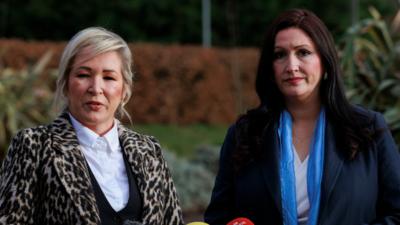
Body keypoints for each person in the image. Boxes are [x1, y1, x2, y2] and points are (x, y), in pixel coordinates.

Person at [204, 8, 400, 225]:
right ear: (270, 68)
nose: (291, 66)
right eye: (280, 55)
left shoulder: (368, 129)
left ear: (324, 61)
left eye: (303, 52)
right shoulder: (243, 134)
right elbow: (218, 218)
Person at [0, 27, 183, 225]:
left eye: (109, 77)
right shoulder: (33, 146)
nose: (96, 88)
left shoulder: (149, 151)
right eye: (84, 75)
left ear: (124, 90)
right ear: (65, 83)